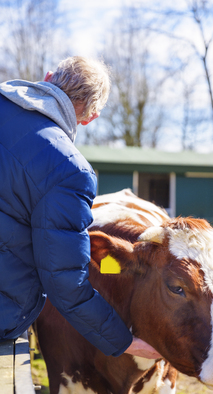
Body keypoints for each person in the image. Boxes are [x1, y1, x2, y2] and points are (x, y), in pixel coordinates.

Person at [0, 56, 160, 359]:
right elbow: (65, 281)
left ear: (47, 77)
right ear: (91, 117)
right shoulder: (68, 170)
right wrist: (123, 341)